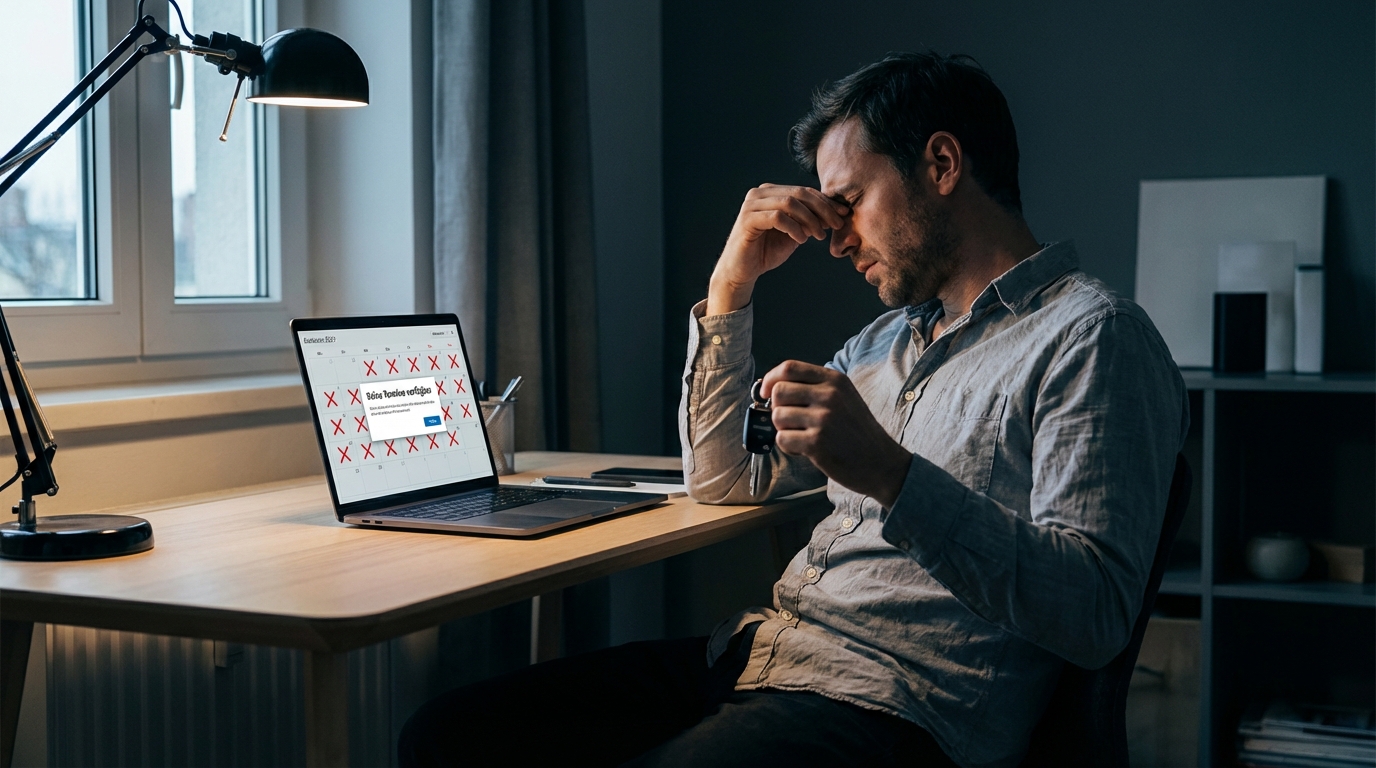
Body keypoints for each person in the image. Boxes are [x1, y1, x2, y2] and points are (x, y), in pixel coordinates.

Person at [399, 51, 1189, 768]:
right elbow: (721, 480)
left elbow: (1094, 614)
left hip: (898, 705)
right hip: (763, 653)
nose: (837, 238)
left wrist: (889, 472)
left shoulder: (1092, 338)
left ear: (942, 163)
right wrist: (731, 286)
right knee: (444, 736)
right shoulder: (882, 343)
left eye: (850, 202)